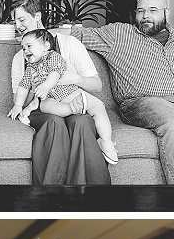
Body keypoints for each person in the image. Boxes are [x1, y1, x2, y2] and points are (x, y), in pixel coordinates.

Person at [72, 0, 174, 185]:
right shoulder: (118, 34)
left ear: (167, 12)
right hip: (146, 102)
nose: (145, 15)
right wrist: (36, 29)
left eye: (153, 10)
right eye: (141, 11)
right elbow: (75, 34)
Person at [10, 0, 111, 187]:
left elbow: (97, 85)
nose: (18, 25)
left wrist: (75, 78)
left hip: (70, 100)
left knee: (81, 122)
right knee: (54, 123)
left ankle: (91, 196)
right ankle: (49, 195)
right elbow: (19, 99)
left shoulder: (69, 44)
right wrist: (35, 83)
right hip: (43, 108)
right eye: (15, 21)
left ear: (38, 16)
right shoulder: (20, 58)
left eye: (22, 19)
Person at [10, 28, 118, 163]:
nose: (25, 51)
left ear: (46, 46)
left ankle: (106, 141)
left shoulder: (53, 56)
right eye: (23, 48)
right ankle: (72, 108)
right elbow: (23, 86)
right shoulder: (31, 68)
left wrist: (44, 86)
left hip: (70, 92)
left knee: (99, 107)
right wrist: (18, 105)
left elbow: (55, 72)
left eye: (29, 46)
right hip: (50, 97)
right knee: (47, 106)